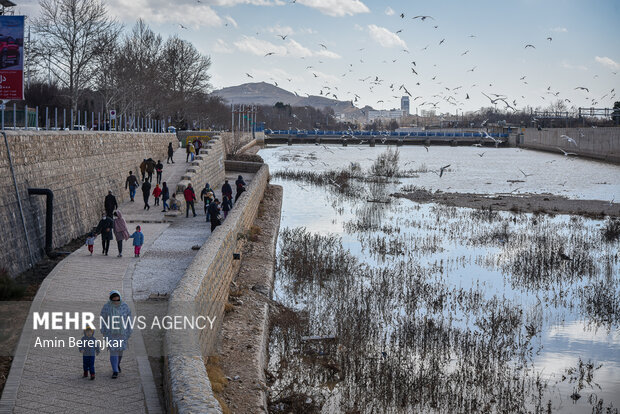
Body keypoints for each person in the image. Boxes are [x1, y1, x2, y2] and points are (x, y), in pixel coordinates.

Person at [100, 290, 132, 379]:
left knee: (120, 351)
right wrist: (103, 330)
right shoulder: (107, 307)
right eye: (114, 300)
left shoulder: (125, 307)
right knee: (113, 351)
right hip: (111, 333)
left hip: (122, 333)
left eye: (117, 300)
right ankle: (115, 370)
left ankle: (117, 364)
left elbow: (129, 319)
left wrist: (129, 330)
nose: (116, 302)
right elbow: (103, 319)